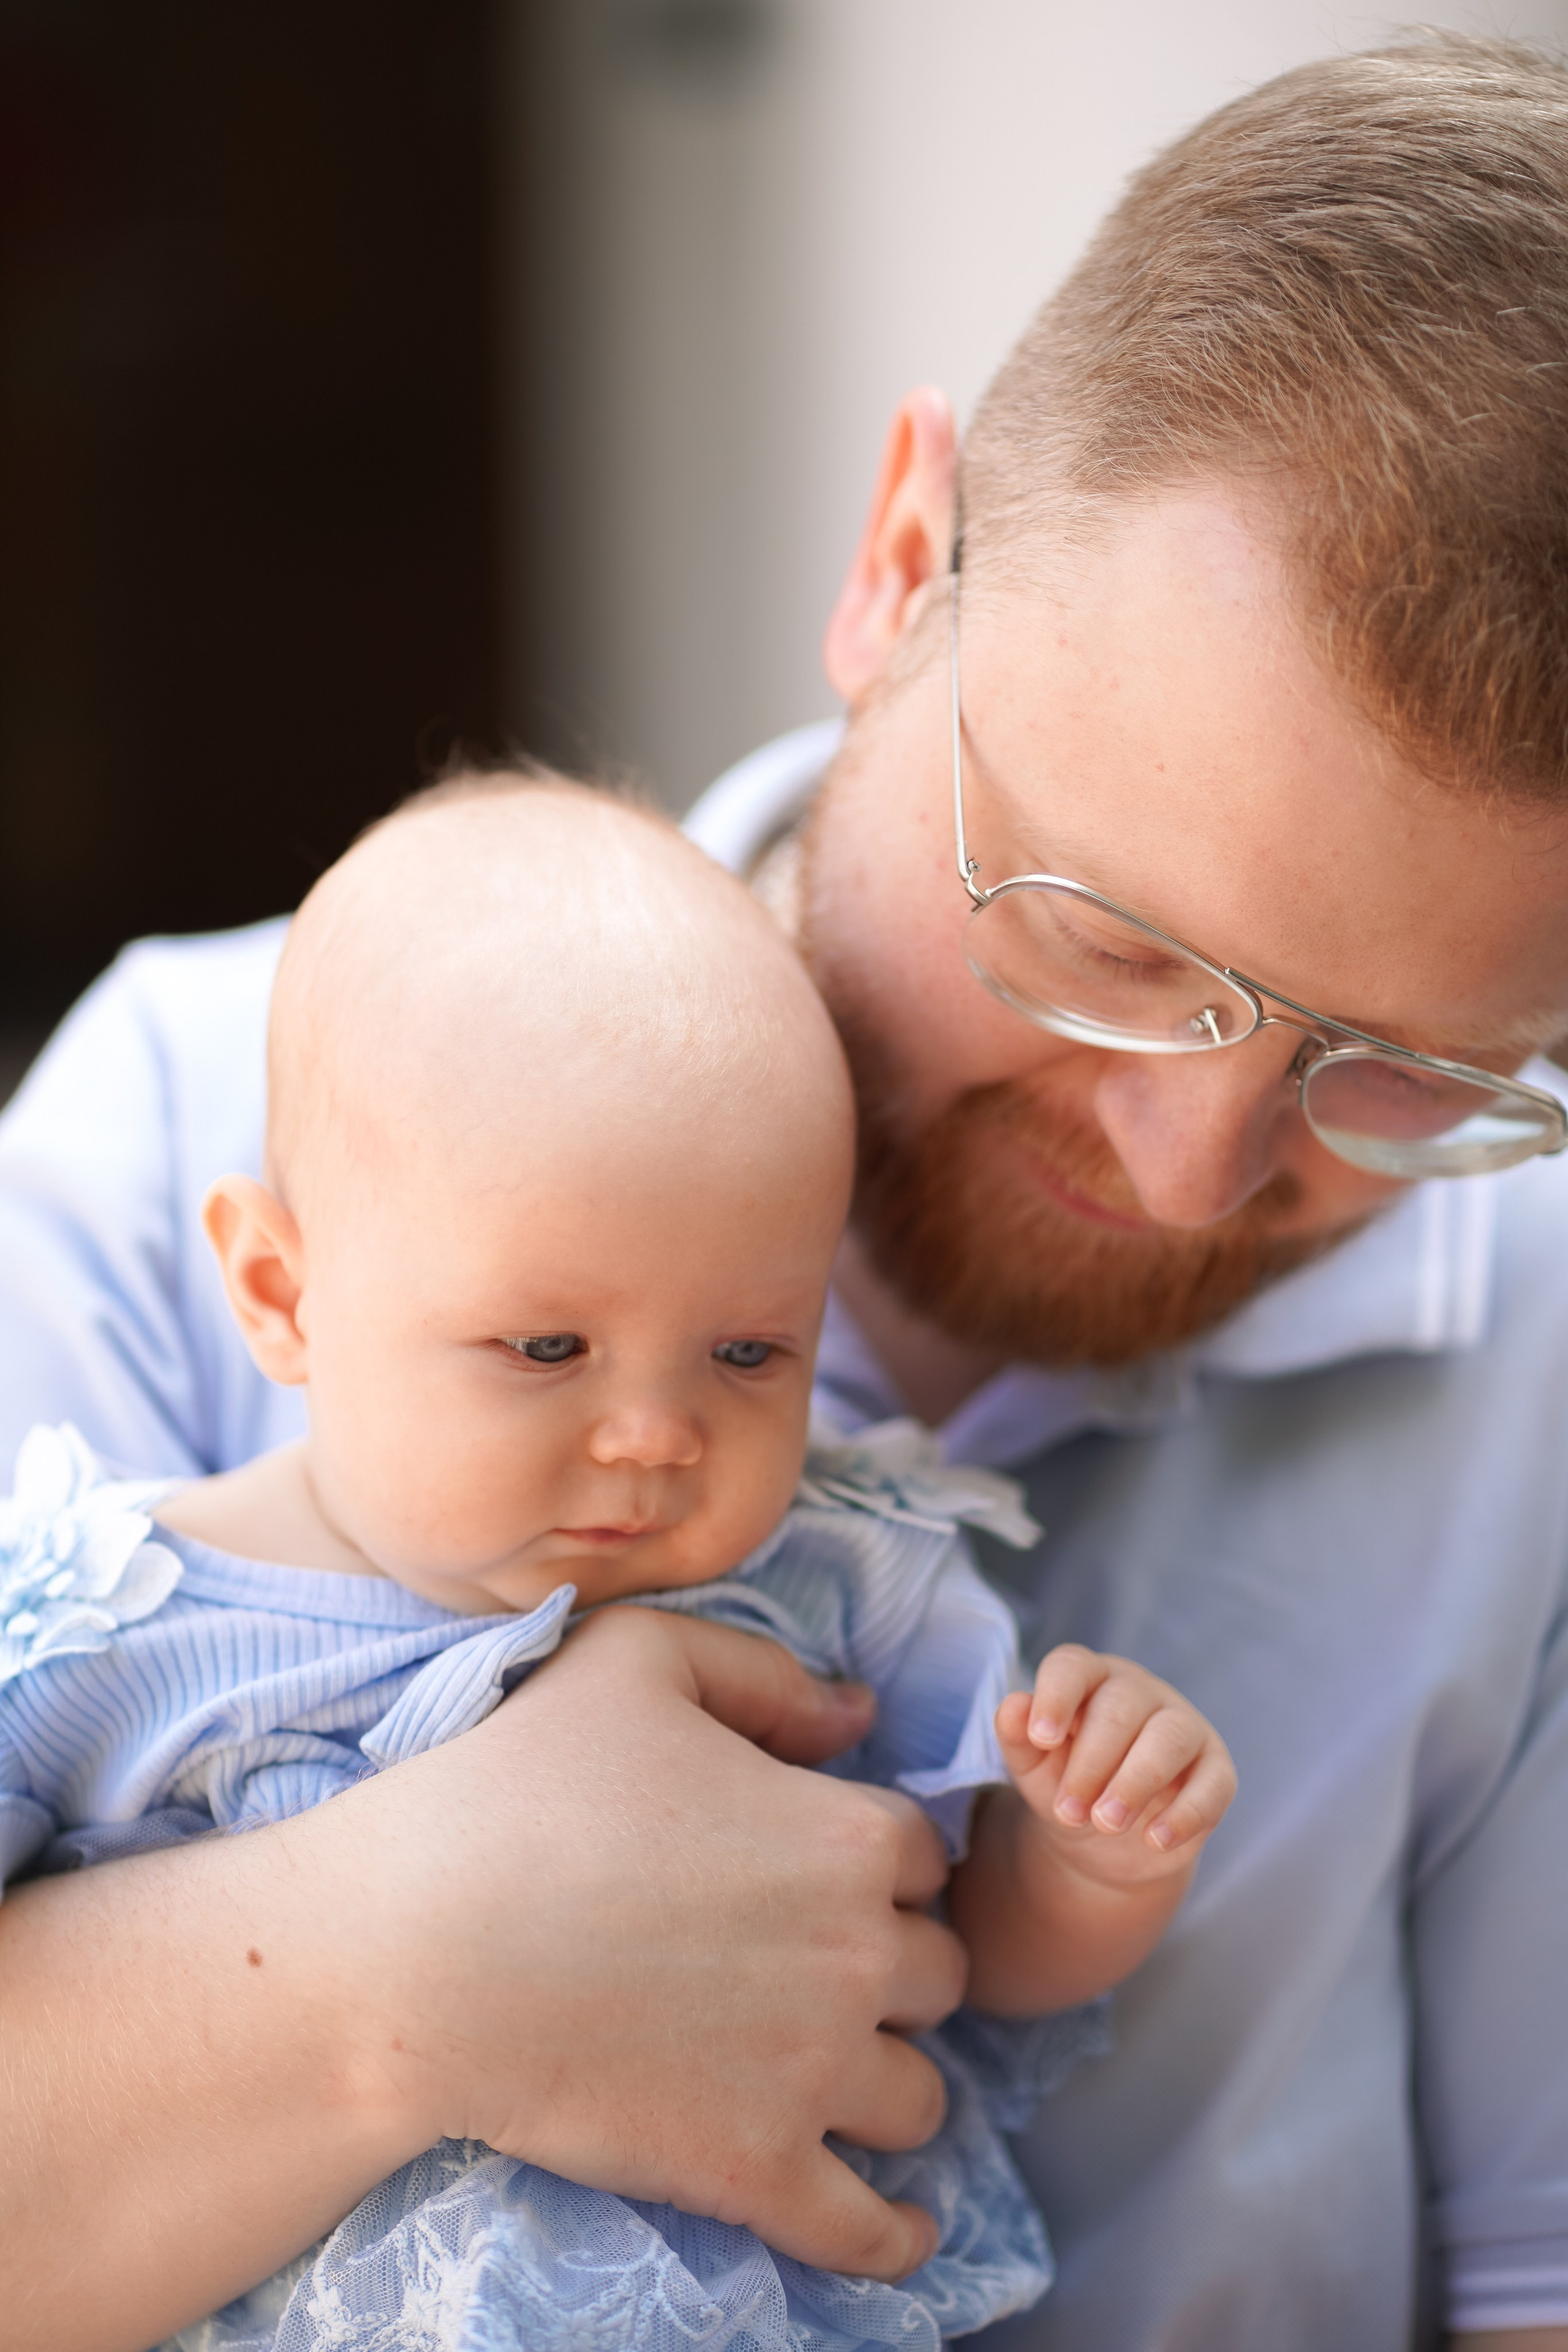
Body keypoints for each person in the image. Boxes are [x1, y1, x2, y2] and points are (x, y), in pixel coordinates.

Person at [3, 26, 1568, 2352]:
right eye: (1108, 941)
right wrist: (401, 1967)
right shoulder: (193, 1121)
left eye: (1405, 1074)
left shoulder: (1533, 1353)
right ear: (898, 561)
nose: (1189, 1168)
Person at [0, 780, 1233, 2351]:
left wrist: (1092, 1857)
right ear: (278, 1289)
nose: (655, 1433)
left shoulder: (829, 1587)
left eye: (745, 1349)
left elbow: (966, 1952)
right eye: (546, 1344)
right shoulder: (117, 1622)